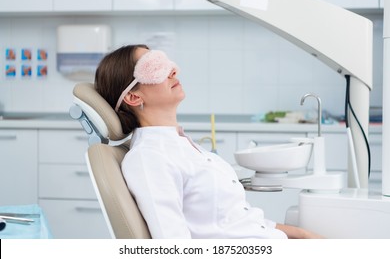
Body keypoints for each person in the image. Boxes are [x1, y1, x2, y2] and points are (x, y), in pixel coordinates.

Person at [94, 44, 323, 239]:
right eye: (155, 67)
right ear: (134, 97)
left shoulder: (182, 145)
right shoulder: (150, 158)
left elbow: (233, 220)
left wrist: (300, 234)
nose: (173, 71)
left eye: (166, 63)